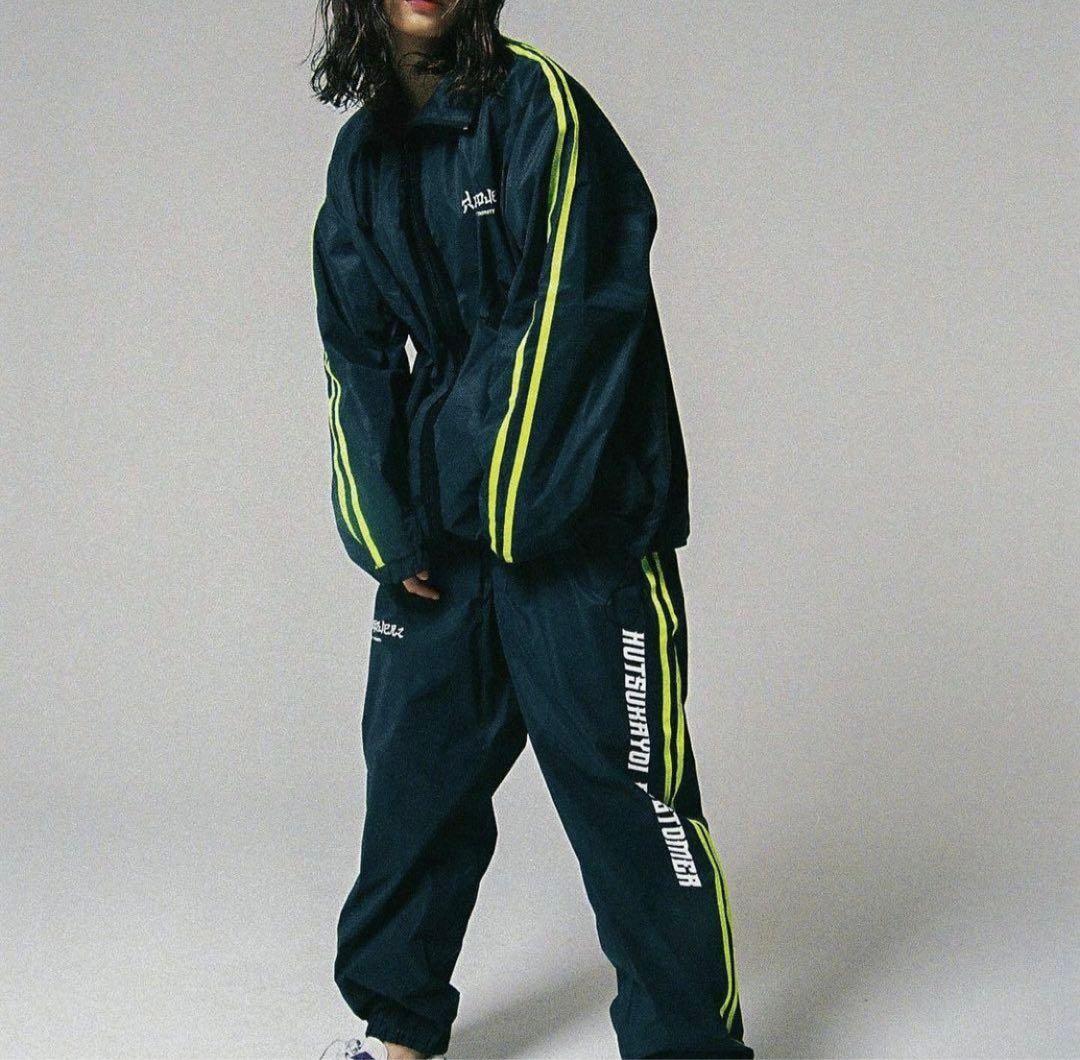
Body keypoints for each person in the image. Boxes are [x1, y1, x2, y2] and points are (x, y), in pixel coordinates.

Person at [310, 2, 752, 1058]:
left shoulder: (537, 107)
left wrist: (507, 508)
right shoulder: (364, 154)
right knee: (413, 782)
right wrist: (388, 528)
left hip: (580, 525)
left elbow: (578, 313)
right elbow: (354, 350)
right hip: (446, 538)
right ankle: (397, 1027)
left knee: (626, 799)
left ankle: (688, 1049)